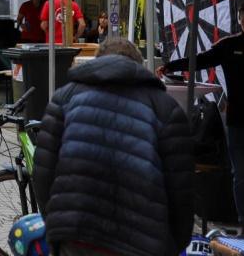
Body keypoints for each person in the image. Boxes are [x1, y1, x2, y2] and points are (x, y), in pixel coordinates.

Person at [34, 37, 193, 256]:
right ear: (139, 64)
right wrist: (175, 242)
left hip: (77, 235)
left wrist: (55, 224)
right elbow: (181, 189)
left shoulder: (65, 98)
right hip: (142, 241)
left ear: (98, 61)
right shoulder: (166, 108)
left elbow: (43, 173)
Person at [161, 0, 244, 234]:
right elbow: (201, 60)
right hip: (238, 123)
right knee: (242, 175)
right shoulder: (229, 45)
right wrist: (170, 67)